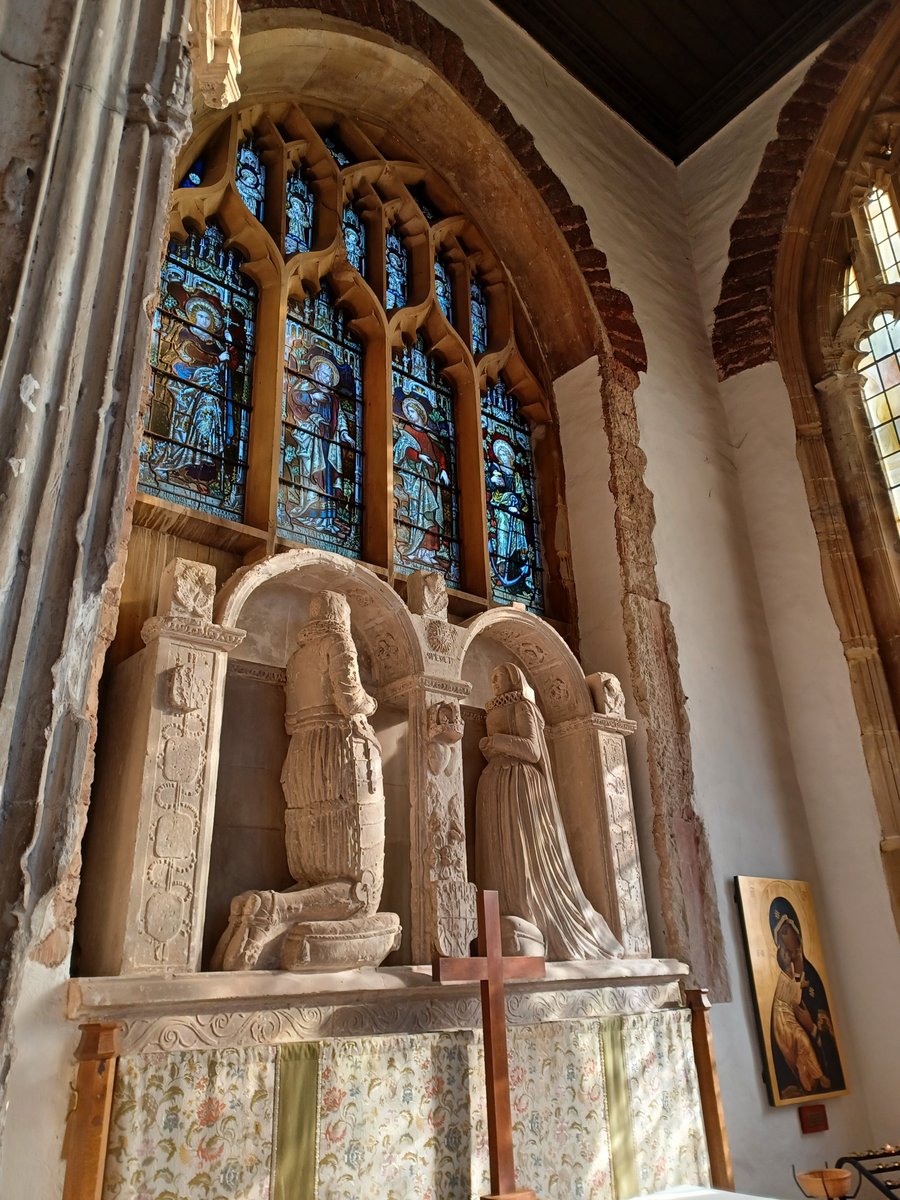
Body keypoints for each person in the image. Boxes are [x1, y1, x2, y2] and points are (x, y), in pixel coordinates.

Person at [475, 662, 623, 961]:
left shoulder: (523, 706)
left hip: (521, 785)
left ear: (515, 678)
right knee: (499, 852)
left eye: (500, 675)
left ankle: (533, 915)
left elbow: (533, 750)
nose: (495, 681)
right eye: (492, 677)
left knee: (524, 851)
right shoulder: (494, 708)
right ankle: (507, 920)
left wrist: (497, 742)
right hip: (497, 785)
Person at [769, 897, 845, 1099]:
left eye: (786, 932)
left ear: (797, 932)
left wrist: (810, 1026)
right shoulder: (783, 980)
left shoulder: (813, 980)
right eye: (779, 938)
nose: (783, 942)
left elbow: (830, 1035)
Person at [393, 392, 451, 570]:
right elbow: (401, 450)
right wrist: (418, 456)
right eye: (407, 412)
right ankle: (415, 550)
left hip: (431, 480)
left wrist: (443, 470)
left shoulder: (429, 436)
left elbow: (439, 454)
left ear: (420, 414)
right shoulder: (406, 433)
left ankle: (430, 553)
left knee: (432, 517)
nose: (410, 415)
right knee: (420, 515)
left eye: (412, 412)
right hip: (416, 481)